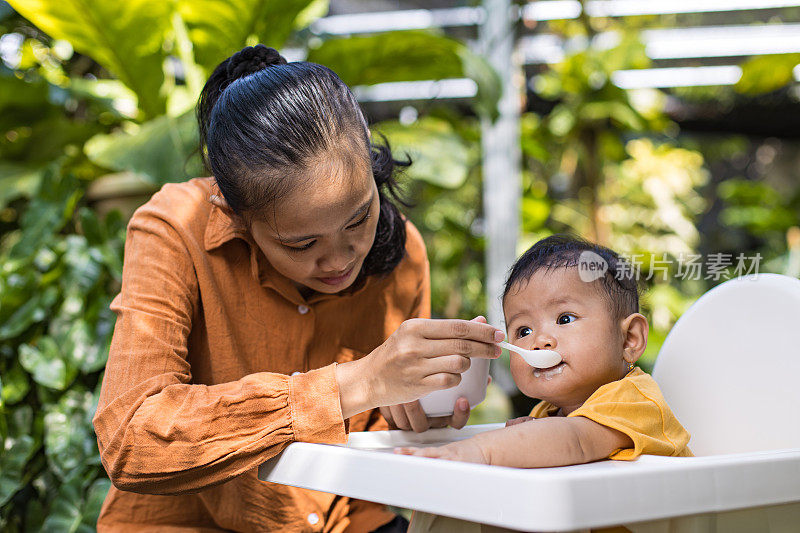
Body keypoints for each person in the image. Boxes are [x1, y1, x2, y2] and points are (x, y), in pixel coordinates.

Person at [92, 44, 504, 533]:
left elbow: (375, 431)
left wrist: (414, 411)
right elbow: (131, 436)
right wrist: (358, 383)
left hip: (347, 519)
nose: (342, 257)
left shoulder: (404, 251)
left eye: (359, 218)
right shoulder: (176, 228)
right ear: (232, 213)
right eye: (302, 243)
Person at [397, 235, 693, 533]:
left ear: (629, 339)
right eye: (523, 329)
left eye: (565, 319)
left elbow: (574, 440)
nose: (540, 340)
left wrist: (478, 452)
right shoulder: (549, 413)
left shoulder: (634, 398)